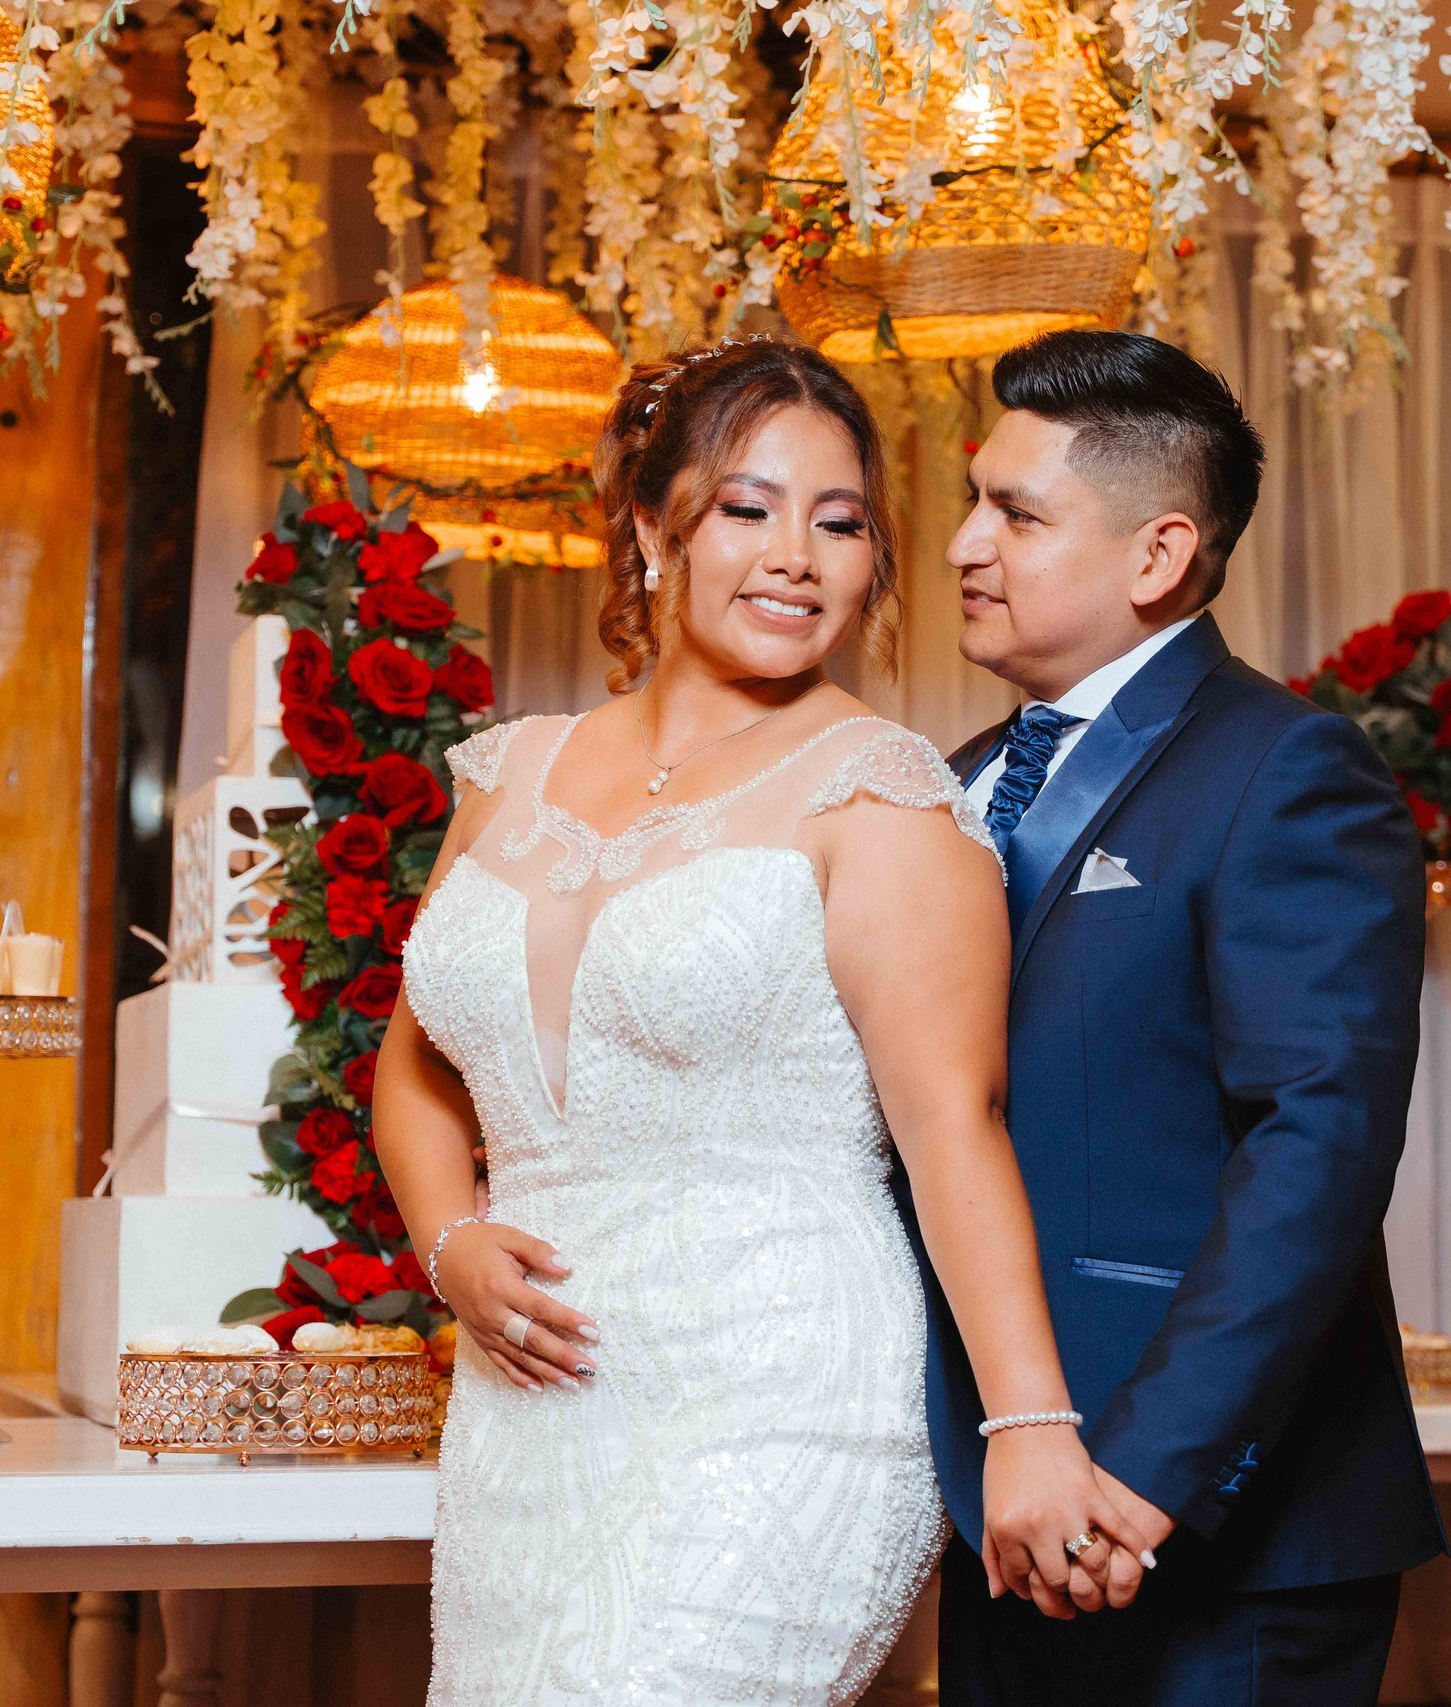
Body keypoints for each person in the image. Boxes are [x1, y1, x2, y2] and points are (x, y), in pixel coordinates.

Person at [370, 336, 1154, 1707]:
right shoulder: (509, 774)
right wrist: (449, 1247)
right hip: (531, 1408)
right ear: (651, 529)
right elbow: (416, 1071)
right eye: (750, 508)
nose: (798, 556)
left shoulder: (881, 795)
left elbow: (953, 1126)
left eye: (840, 524)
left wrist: (1030, 1422)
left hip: (785, 1397)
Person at [922, 328, 1447, 1707]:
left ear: (1157, 555)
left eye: (1016, 513)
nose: (965, 545)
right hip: (999, 1498)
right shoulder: (952, 782)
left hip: (1210, 1527)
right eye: (972, 503)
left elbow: (1316, 1144)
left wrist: (1147, 1478)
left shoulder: (1287, 767)